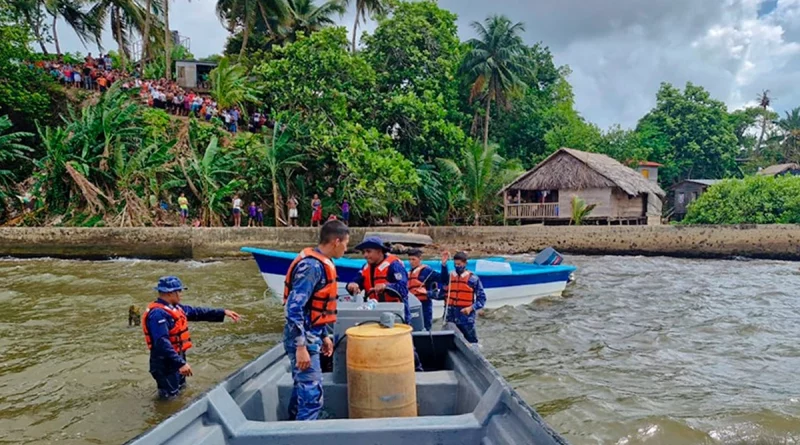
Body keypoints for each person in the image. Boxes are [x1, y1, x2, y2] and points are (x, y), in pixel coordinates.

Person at [283, 220, 350, 420]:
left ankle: (294, 425)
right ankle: (306, 431)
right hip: (303, 339)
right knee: (312, 395)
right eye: (346, 244)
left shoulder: (322, 263)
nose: (346, 249)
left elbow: (315, 308)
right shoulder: (311, 267)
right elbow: (294, 308)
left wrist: (325, 335)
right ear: (336, 241)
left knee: (302, 388)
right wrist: (301, 346)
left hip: (313, 335)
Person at [142, 276, 241, 399]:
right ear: (170, 293)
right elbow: (161, 343)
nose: (181, 294)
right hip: (165, 363)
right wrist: (180, 363)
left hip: (176, 358)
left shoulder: (175, 308)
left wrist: (223, 312)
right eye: (179, 291)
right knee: (170, 397)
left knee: (181, 392)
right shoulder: (158, 314)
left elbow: (197, 312)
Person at [438, 251, 486, 344]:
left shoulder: (473, 279)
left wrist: (471, 308)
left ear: (465, 263)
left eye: (459, 264)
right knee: (448, 338)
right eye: (455, 264)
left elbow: (482, 299)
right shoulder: (450, 277)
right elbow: (443, 281)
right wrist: (444, 264)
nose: (457, 266)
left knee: (471, 340)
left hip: (466, 316)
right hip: (450, 315)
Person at [407, 248, 441, 331]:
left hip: (424, 305)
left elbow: (443, 279)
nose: (411, 262)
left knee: (426, 328)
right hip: (412, 305)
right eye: (409, 259)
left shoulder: (427, 271)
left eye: (413, 259)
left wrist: (427, 292)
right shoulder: (409, 272)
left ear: (420, 259)